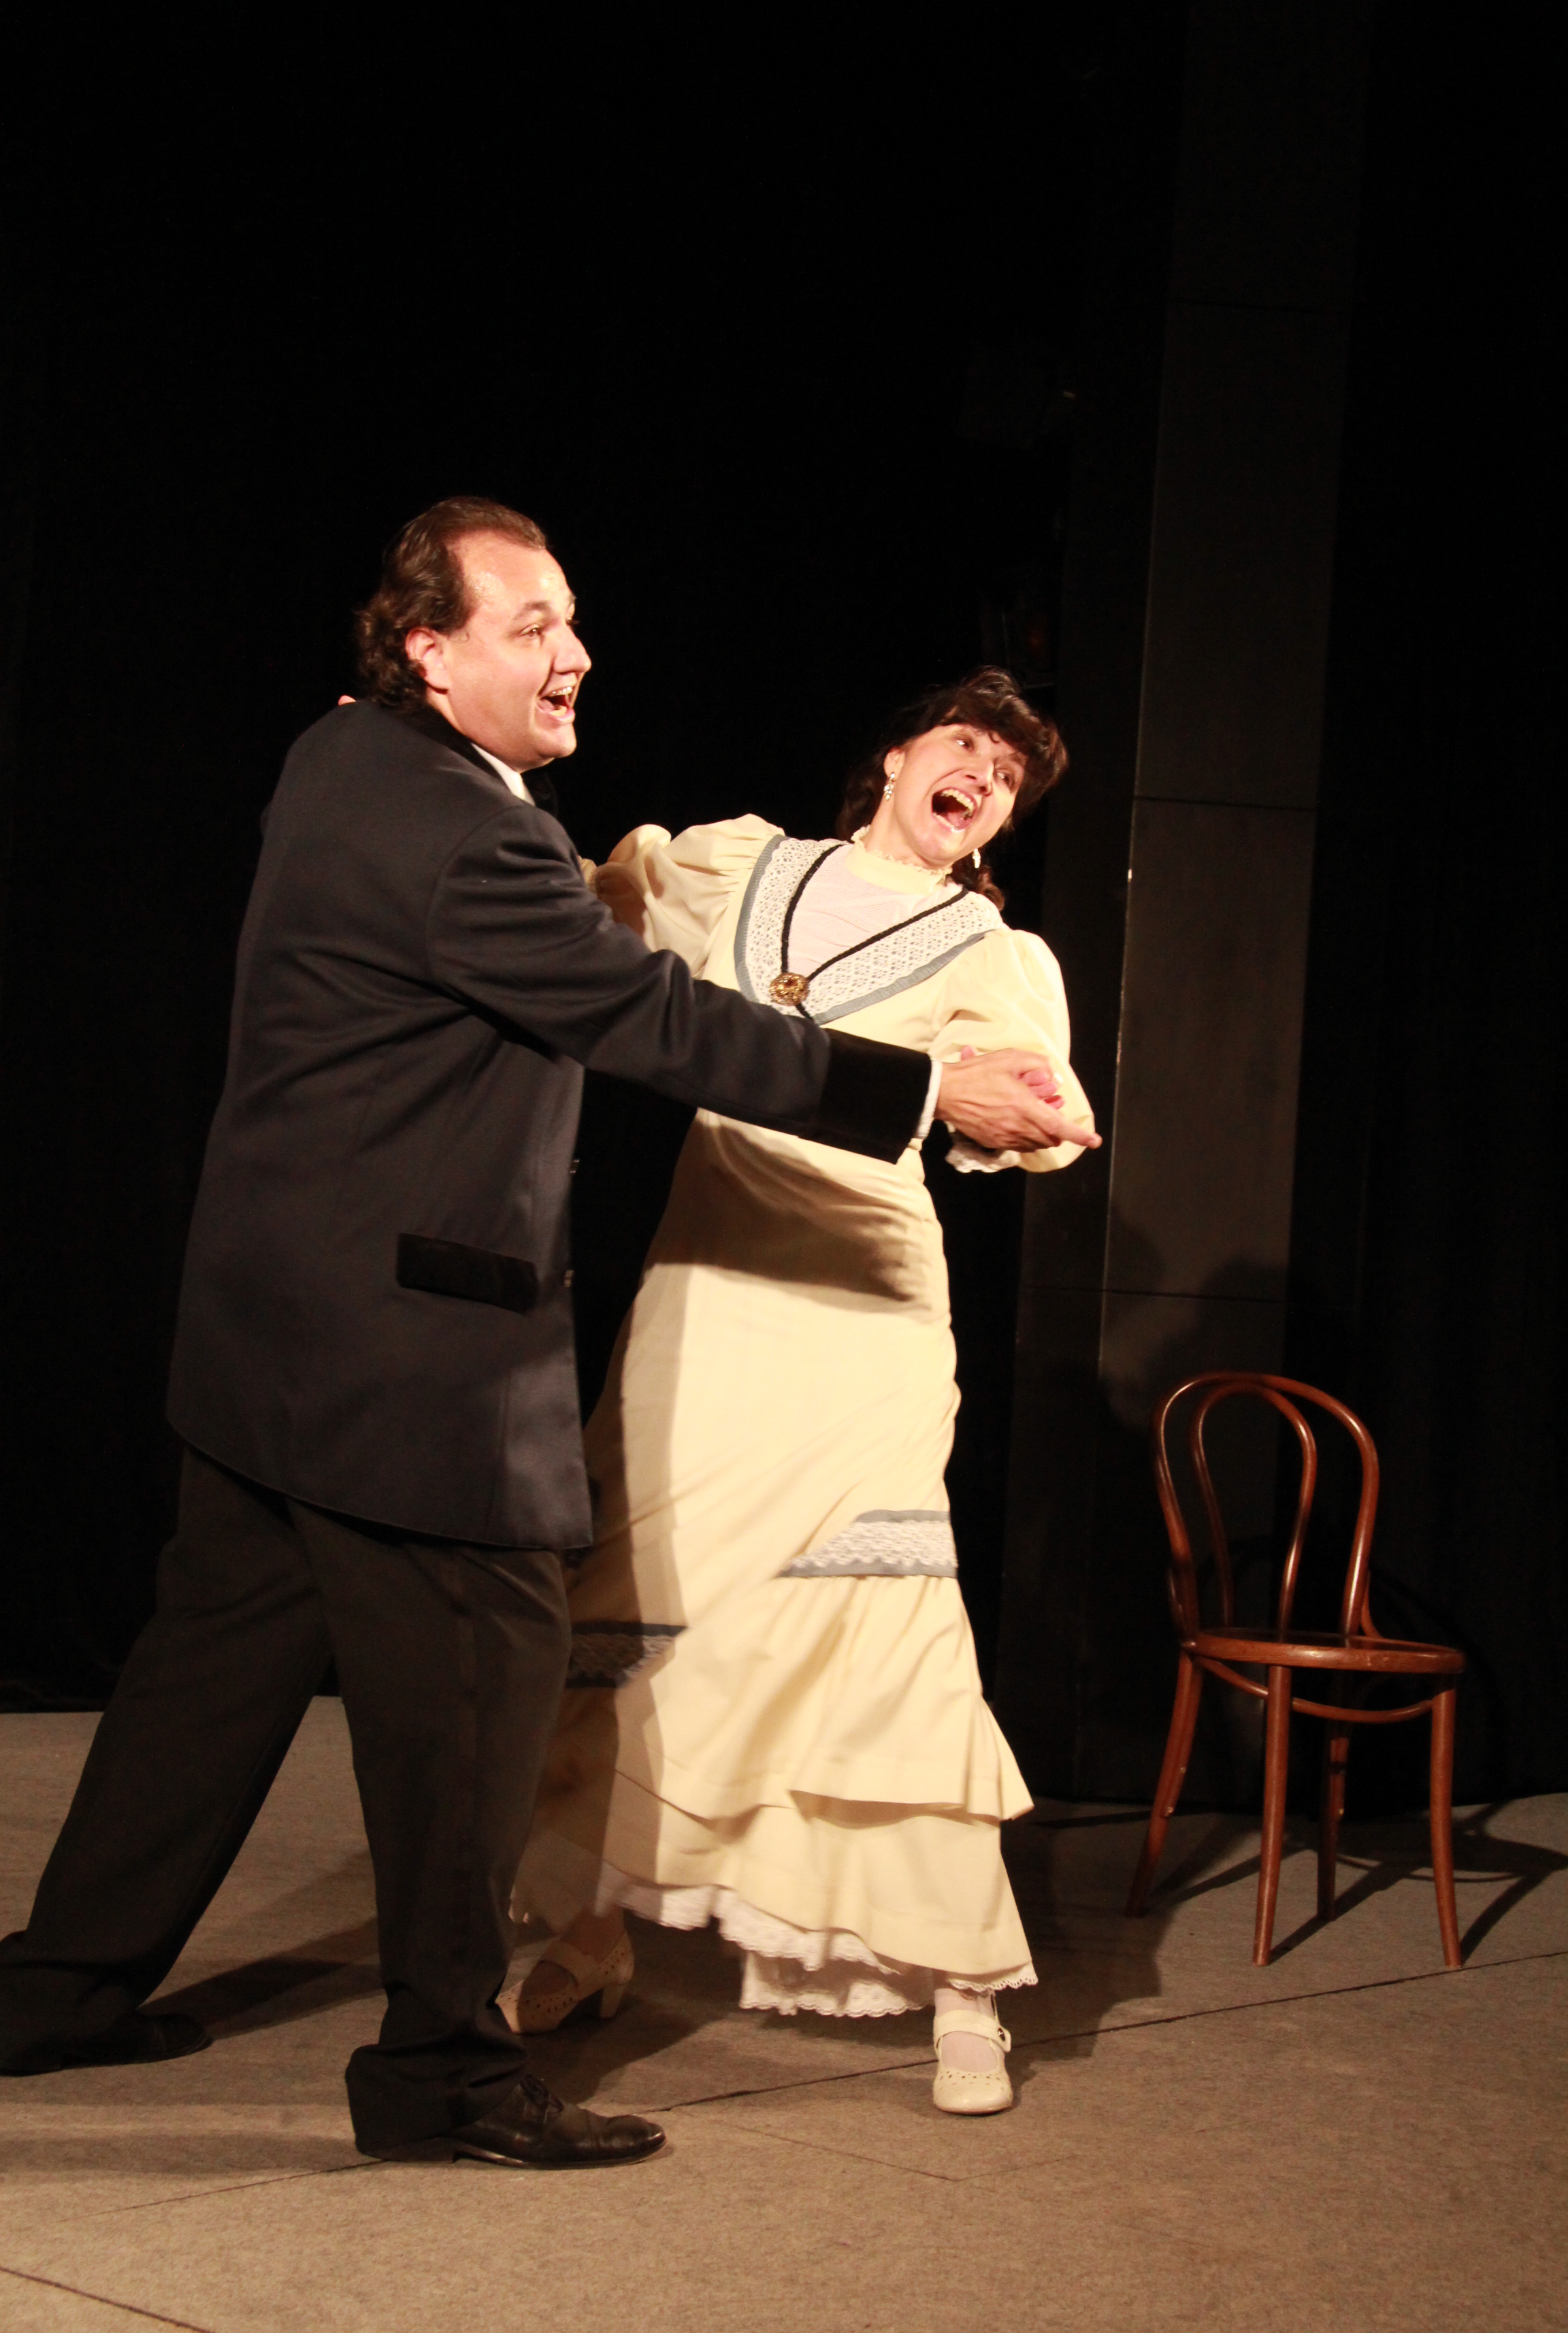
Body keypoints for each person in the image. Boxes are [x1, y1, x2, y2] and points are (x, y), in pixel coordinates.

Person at [0, 503, 1079, 2169]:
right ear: (428, 650)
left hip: (275, 1330)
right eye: (530, 626)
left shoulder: (340, 756)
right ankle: (444, 2072)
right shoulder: (483, 838)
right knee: (484, 1698)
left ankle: (58, 1989)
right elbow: (648, 1013)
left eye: (573, 620)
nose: (574, 653)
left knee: (208, 1680)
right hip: (412, 1360)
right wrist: (924, 1089)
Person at [507, 668, 1098, 2116]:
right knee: (643, 1600)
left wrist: (1020, 1093)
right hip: (710, 1280)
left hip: (862, 1300)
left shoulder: (989, 946)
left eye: (1009, 779)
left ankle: (964, 1983)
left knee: (878, 1614)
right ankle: (589, 1932)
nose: (984, 778)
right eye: (966, 746)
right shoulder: (740, 868)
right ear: (896, 756)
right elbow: (581, 911)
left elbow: (1038, 1109)